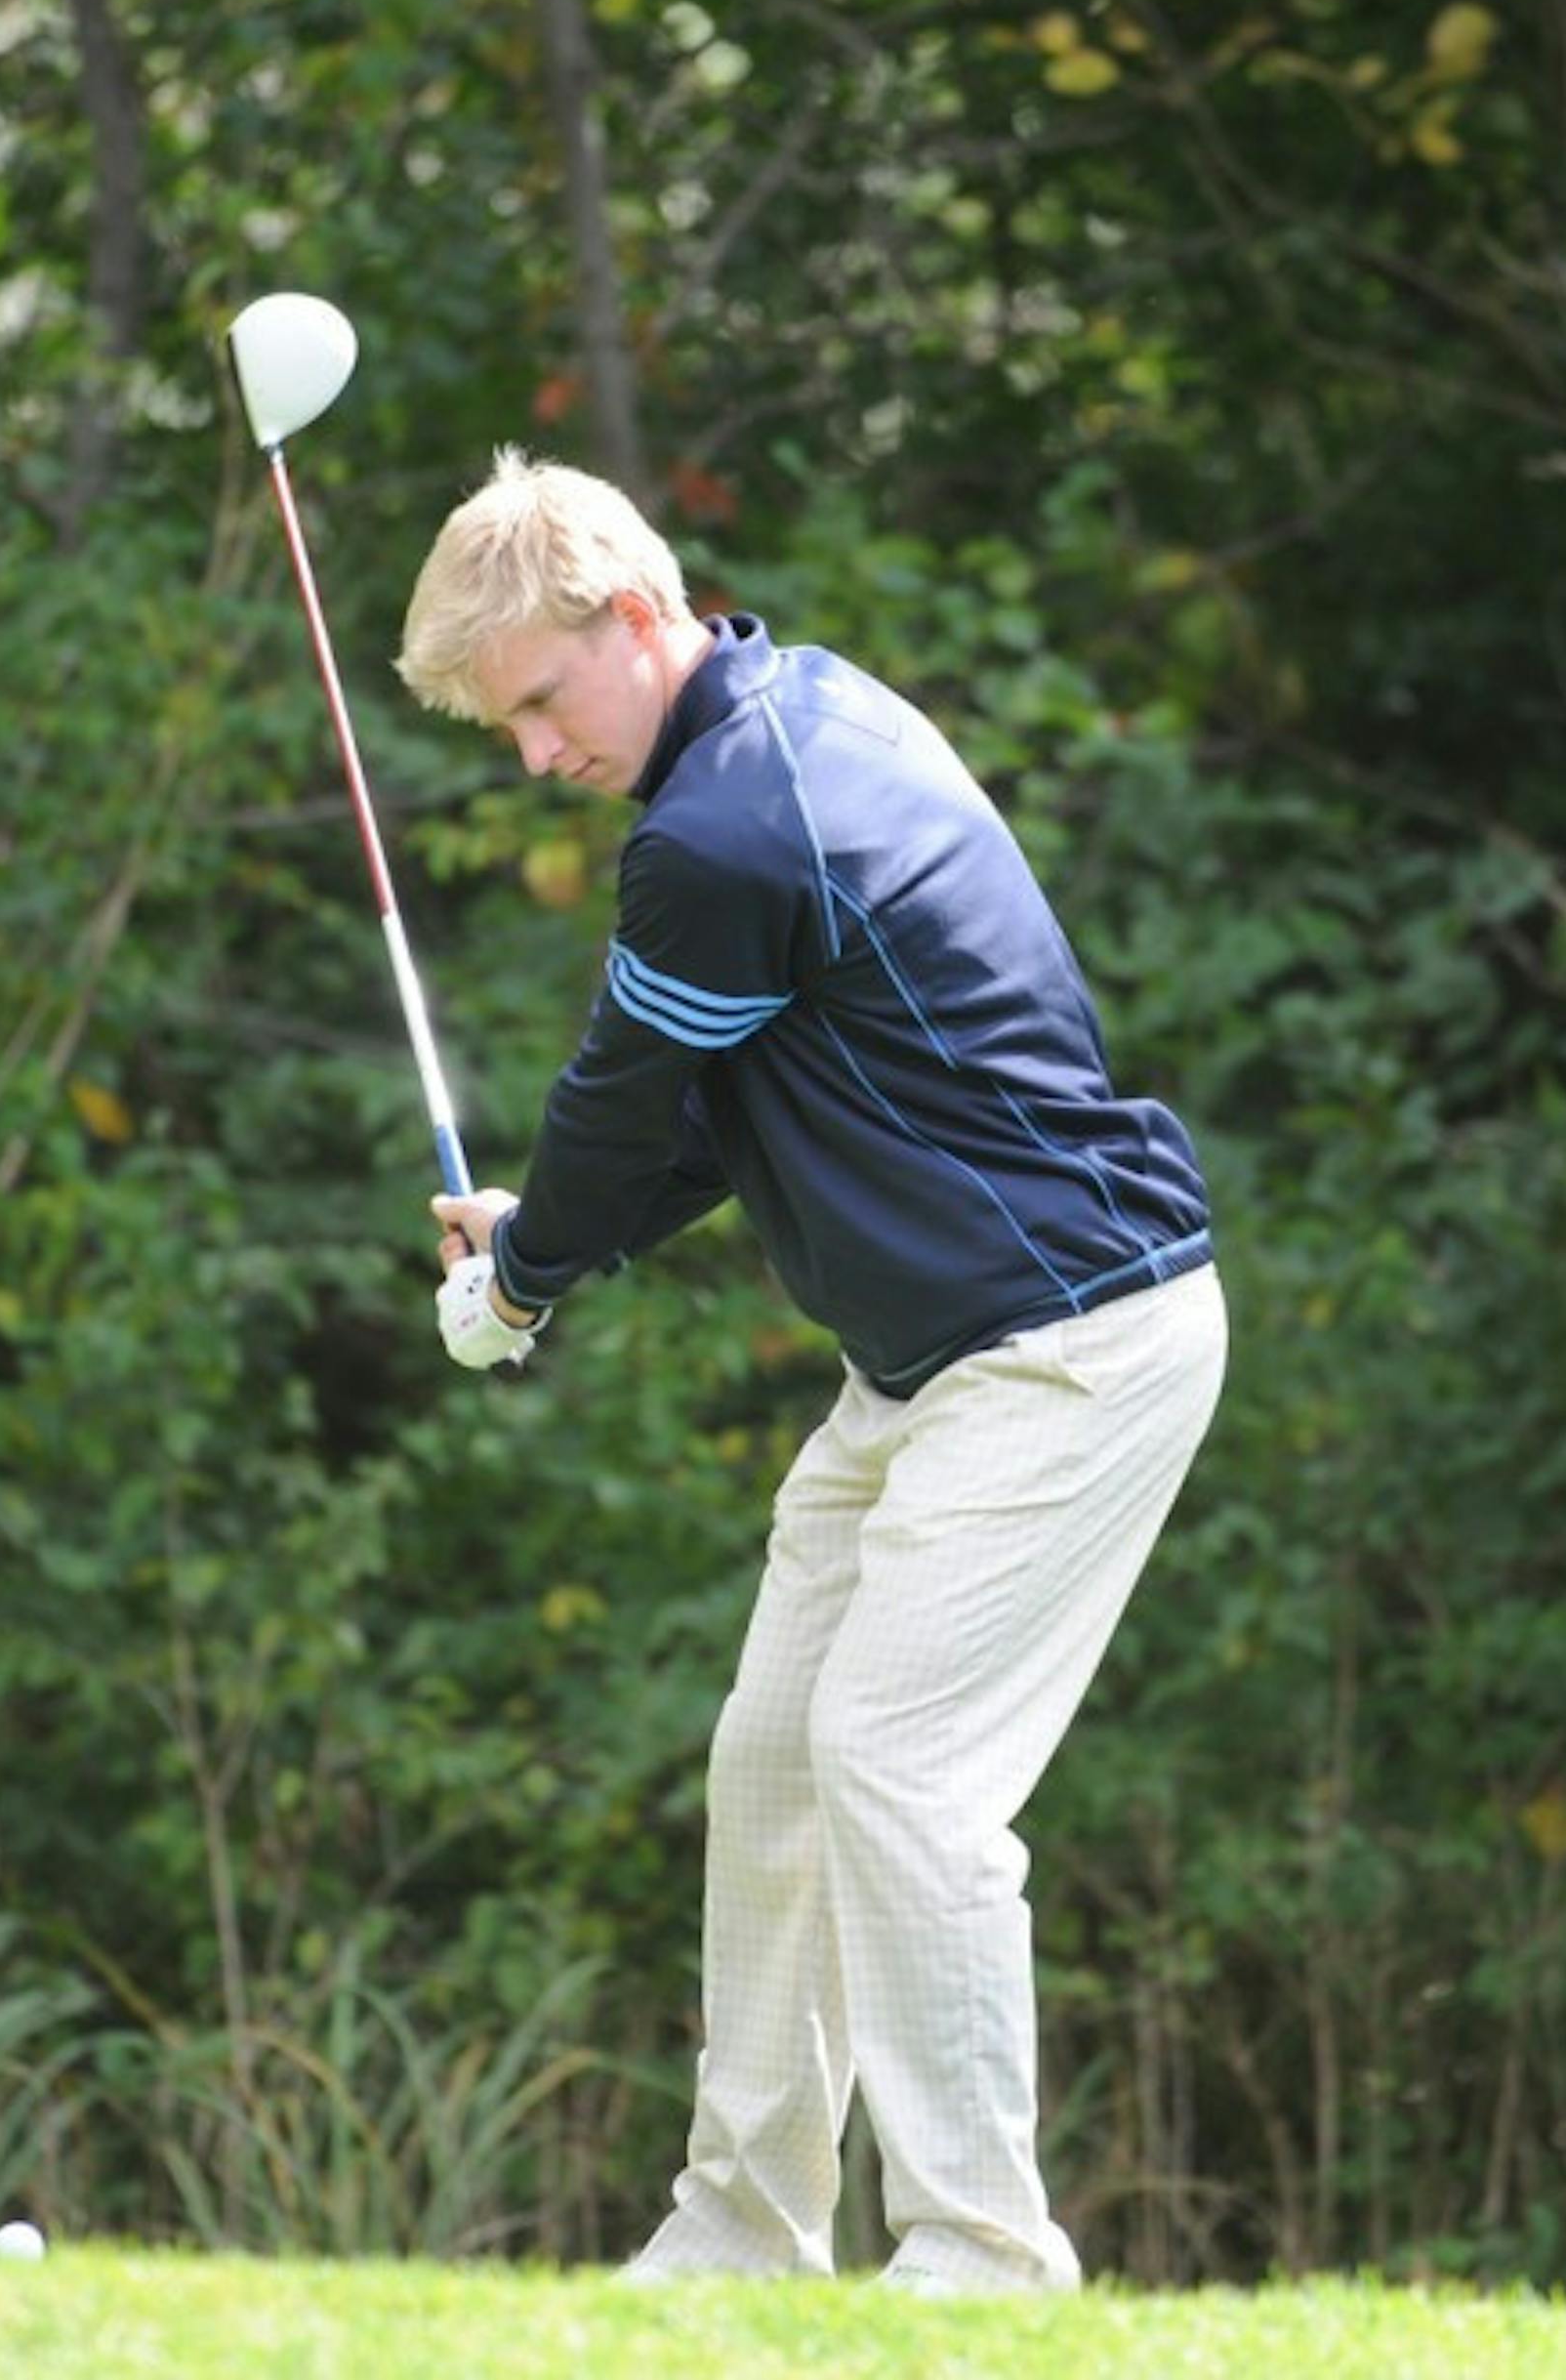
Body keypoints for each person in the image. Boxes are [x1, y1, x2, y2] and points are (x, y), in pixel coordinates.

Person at [397, 449, 1227, 2297]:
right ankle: (746, 2229)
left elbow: (622, 1099)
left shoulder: (721, 828)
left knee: (897, 1764)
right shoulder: (792, 718)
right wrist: (557, 1232)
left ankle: (984, 2255)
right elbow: (709, 1108)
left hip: (1070, 1341)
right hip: (934, 1357)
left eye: (538, 701)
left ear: (633, 616)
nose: (532, 753)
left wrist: (522, 1283)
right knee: (775, 1757)